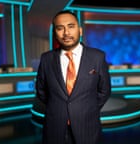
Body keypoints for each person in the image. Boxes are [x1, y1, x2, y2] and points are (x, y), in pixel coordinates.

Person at [35, 10, 111, 144]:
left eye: (71, 26)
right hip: (55, 129)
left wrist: (87, 108)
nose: (66, 33)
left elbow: (104, 91)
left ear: (80, 30)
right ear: (55, 34)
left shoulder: (97, 57)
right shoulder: (46, 59)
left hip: (88, 128)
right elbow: (41, 91)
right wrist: (59, 107)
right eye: (60, 28)